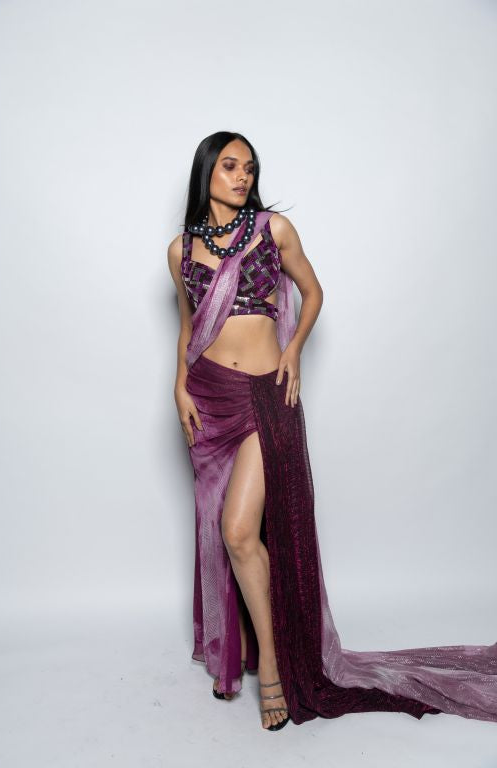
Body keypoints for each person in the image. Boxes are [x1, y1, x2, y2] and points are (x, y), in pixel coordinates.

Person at [167, 131, 497, 732]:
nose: (242, 177)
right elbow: (188, 325)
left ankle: (273, 665)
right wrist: (178, 384)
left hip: (265, 394)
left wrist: (293, 349)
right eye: (230, 166)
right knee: (222, 532)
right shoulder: (180, 250)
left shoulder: (272, 230)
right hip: (208, 396)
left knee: (239, 530)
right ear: (206, 172)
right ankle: (241, 652)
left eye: (249, 168)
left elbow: (313, 291)